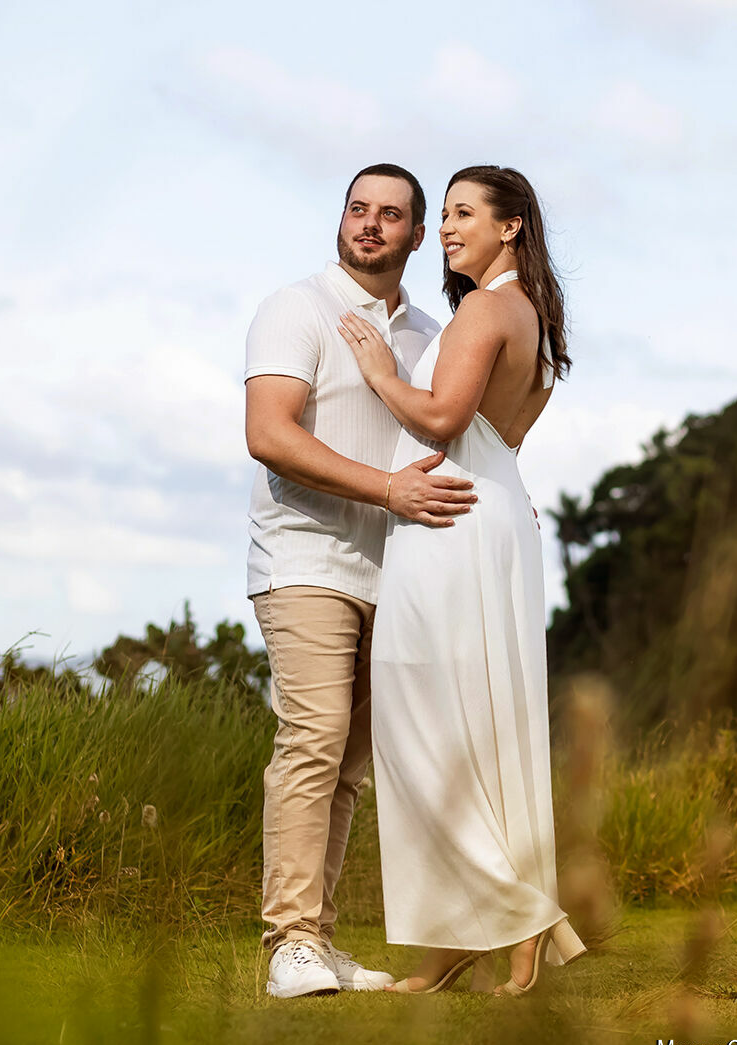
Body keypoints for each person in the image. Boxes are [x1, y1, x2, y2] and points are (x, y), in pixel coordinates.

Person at [338, 165, 587, 995]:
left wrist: (379, 369)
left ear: (510, 226)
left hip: (448, 526)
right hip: (498, 519)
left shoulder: (483, 308)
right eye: (441, 215)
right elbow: (503, 442)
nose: (444, 229)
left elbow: (444, 421)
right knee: (486, 723)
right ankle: (476, 936)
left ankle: (513, 916)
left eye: (462, 214)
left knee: (429, 727)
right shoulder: (537, 317)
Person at [244, 164, 478, 998]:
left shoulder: (425, 335)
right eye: (357, 209)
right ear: (340, 218)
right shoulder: (295, 307)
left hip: (397, 576)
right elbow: (268, 435)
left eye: (391, 215)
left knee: (348, 767)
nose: (370, 225)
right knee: (311, 743)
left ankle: (321, 942)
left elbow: (444, 442)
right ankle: (289, 944)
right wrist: (386, 491)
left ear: (418, 236)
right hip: (304, 559)